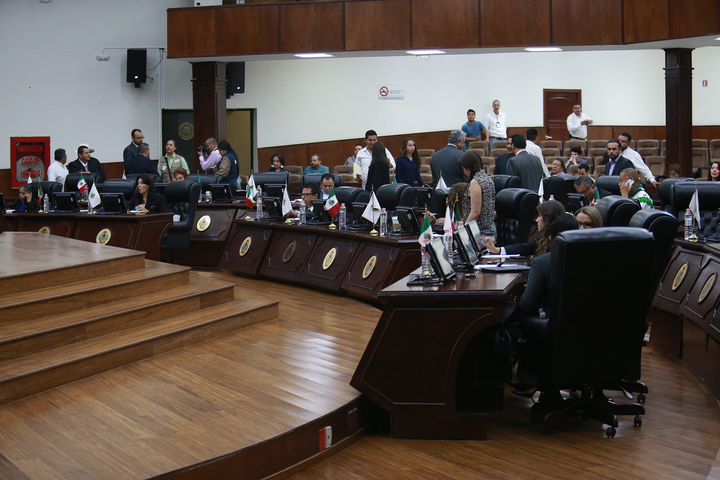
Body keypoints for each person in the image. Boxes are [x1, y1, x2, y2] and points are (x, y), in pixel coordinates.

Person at [482, 200, 566, 256]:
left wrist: (498, 250)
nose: (537, 220)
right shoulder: (544, 239)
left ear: (549, 218)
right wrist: (498, 250)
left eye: (540, 216)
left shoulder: (557, 243)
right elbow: (525, 247)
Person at [459, 151, 496, 240]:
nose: (464, 172)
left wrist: (463, 230)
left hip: (478, 233)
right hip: (489, 231)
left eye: (464, 168)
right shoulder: (488, 178)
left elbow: (476, 213)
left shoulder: (475, 182)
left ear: (469, 168)